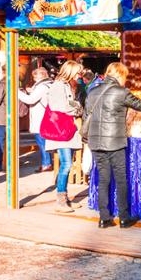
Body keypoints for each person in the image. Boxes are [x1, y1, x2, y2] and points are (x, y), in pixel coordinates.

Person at [84, 62, 141, 229]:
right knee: (121, 179)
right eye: (125, 76)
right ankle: (123, 217)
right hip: (114, 142)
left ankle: (104, 218)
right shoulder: (121, 92)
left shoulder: (92, 91)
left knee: (103, 179)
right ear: (120, 75)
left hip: (96, 141)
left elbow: (87, 114)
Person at [42, 60, 84, 212]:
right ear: (70, 71)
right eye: (78, 72)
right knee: (66, 165)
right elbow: (58, 106)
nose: (80, 75)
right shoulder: (58, 86)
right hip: (60, 131)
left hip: (67, 130)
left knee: (68, 164)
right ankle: (60, 201)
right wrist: (77, 108)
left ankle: (64, 198)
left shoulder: (69, 85)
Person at [23, 67, 54, 171]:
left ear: (40, 75)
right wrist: (32, 91)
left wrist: (18, 93)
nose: (34, 78)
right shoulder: (48, 84)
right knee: (44, 141)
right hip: (46, 117)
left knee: (41, 141)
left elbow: (31, 100)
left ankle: (47, 163)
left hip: (40, 117)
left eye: (35, 76)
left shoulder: (42, 87)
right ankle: (47, 162)